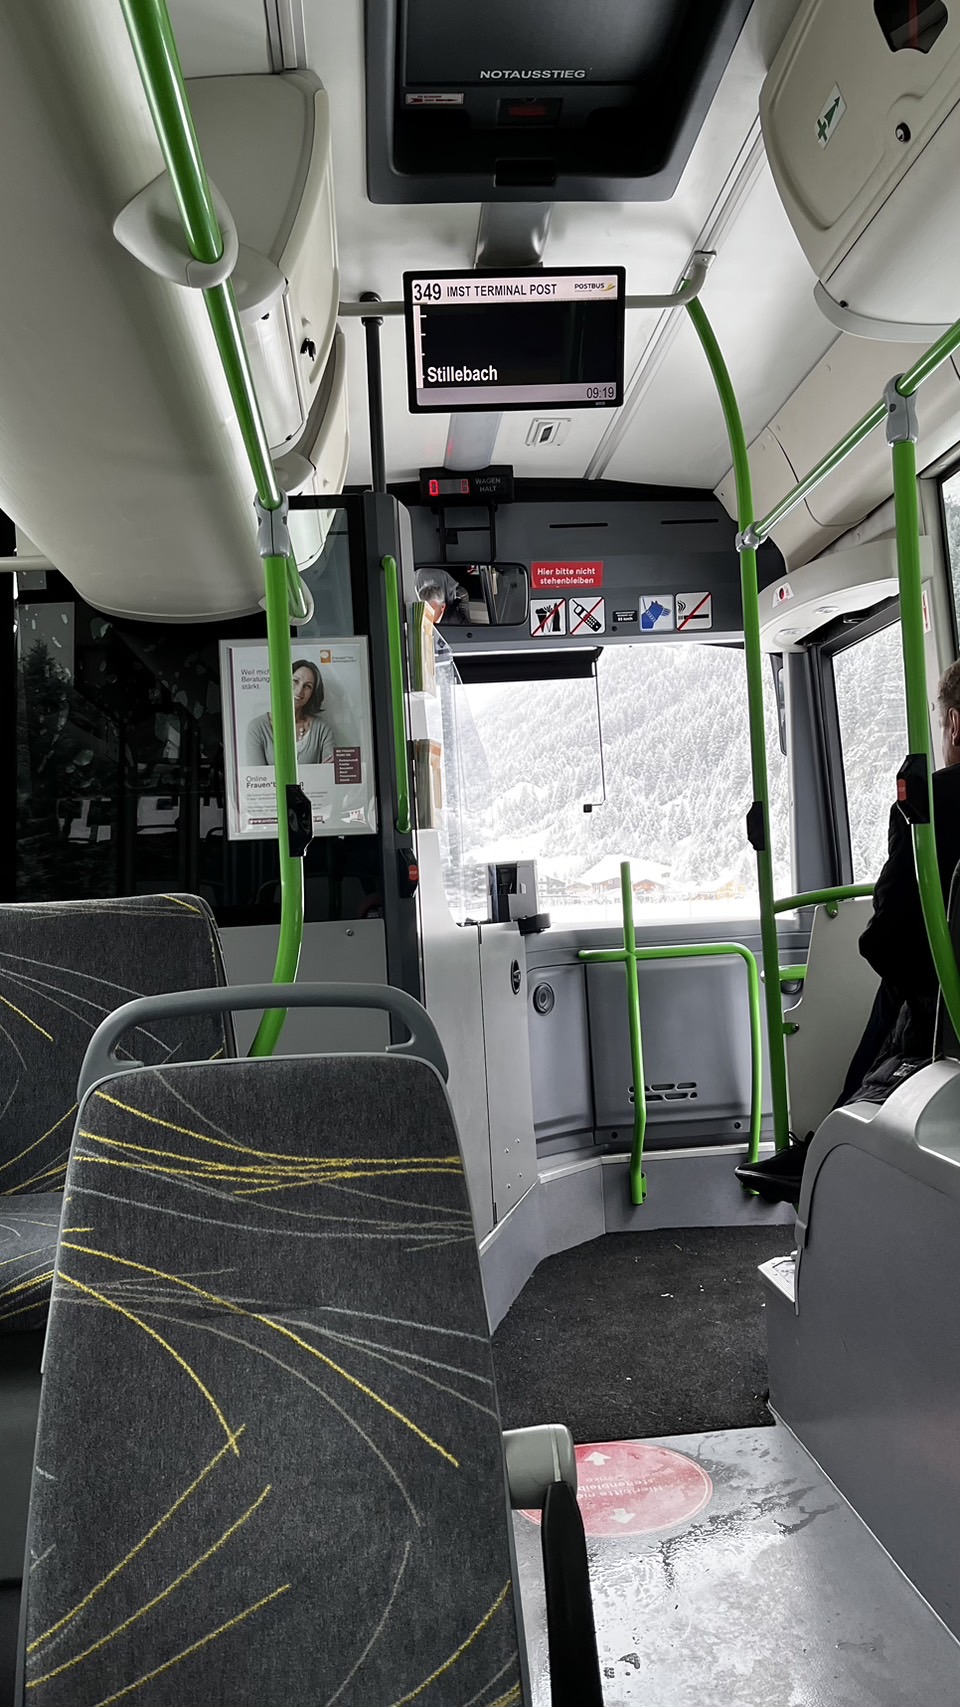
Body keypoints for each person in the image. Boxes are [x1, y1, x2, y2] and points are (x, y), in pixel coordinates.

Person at [738, 659, 960, 1201]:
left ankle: (823, 1150)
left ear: (954, 725)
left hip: (946, 1019)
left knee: (900, 983)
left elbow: (891, 933)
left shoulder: (930, 806)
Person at [245, 659, 335, 766]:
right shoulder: (257, 728)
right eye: (295, 681)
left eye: (308, 686)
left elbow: (329, 772)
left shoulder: (322, 729)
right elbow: (257, 775)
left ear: (313, 694)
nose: (299, 691)